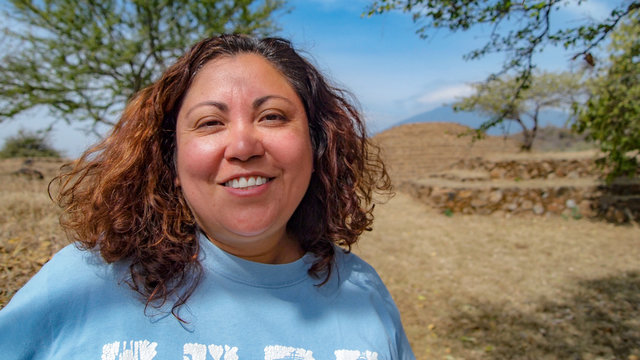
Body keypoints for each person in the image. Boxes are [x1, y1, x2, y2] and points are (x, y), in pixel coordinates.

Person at [0, 34, 415, 359]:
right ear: (171, 161)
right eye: (210, 122)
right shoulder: (83, 282)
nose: (242, 145)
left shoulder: (364, 294)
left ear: (317, 145)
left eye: (271, 116)